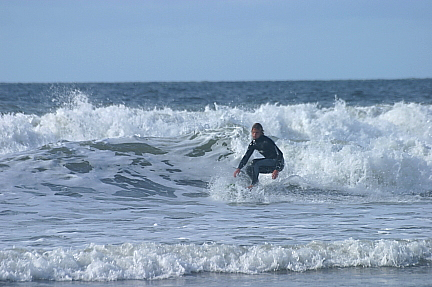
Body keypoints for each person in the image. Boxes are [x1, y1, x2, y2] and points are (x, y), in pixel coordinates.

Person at [233, 123, 284, 188]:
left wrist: (277, 169)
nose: (254, 135)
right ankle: (257, 186)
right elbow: (246, 156)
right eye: (253, 132)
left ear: (261, 133)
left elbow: (280, 154)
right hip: (269, 165)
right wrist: (239, 168)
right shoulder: (253, 144)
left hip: (277, 163)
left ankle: (254, 184)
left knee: (255, 163)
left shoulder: (266, 141)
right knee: (249, 169)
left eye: (257, 133)